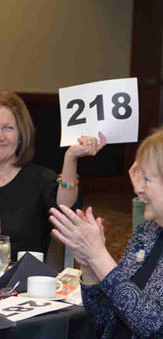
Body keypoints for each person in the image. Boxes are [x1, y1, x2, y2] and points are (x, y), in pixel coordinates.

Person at [0, 90, 104, 257]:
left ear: (21, 135)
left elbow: (66, 211)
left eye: (8, 128)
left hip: (25, 280)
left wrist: (71, 158)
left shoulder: (42, 180)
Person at [49, 130, 163, 338]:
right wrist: (89, 267)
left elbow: (155, 327)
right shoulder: (146, 233)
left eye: (145, 178)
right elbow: (104, 320)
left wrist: (99, 256)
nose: (137, 190)